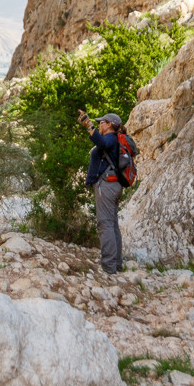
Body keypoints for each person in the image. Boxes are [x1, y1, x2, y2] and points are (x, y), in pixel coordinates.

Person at [78, 110, 124, 274]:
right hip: (114, 185)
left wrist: (89, 125)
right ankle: (116, 263)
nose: (99, 124)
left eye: (101, 122)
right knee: (112, 225)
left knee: (105, 224)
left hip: (107, 185)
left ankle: (108, 266)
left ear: (109, 124)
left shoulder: (111, 138)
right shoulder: (114, 139)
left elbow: (102, 144)